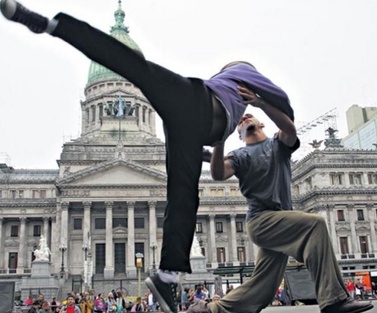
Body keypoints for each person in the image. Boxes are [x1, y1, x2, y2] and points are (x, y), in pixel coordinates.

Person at [0, 2, 294, 312]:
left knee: (183, 194)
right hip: (192, 112)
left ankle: (166, 274)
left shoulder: (251, 84)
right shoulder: (222, 82)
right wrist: (216, 144)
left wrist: (260, 103)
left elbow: (285, 121)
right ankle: (51, 25)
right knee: (181, 188)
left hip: (196, 122)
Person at [189, 89, 373, 313]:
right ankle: (334, 300)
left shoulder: (278, 145)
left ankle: (209, 310)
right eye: (239, 121)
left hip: (281, 221)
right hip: (261, 222)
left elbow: (289, 129)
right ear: (237, 134)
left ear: (262, 124)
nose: (244, 118)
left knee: (265, 285)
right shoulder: (239, 155)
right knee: (315, 224)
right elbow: (218, 174)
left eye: (248, 116)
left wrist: (259, 102)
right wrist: (219, 140)